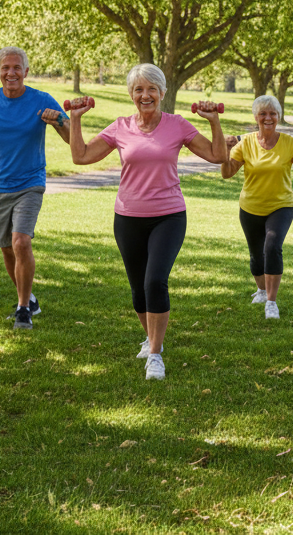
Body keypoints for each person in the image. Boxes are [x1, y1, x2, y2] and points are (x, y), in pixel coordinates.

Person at [66, 64, 227, 381]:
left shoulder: (177, 125)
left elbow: (218, 156)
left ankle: (155, 354)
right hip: (127, 218)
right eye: (139, 89)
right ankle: (152, 338)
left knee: (155, 281)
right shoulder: (120, 127)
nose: (145, 95)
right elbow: (81, 157)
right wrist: (75, 120)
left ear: (163, 93)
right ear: (131, 94)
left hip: (168, 216)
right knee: (139, 290)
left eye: (152, 88)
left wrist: (214, 122)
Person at [0, 47, 69, 330]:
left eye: (17, 67)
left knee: (21, 241)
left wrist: (58, 120)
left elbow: (72, 138)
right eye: (5, 68)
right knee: (7, 248)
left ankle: (23, 309)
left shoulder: (41, 100)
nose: (11, 73)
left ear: (26, 71)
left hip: (29, 184)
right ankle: (29, 297)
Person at [219, 95, 293, 320]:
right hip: (250, 206)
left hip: (281, 205)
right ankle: (262, 291)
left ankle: (271, 302)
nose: (268, 118)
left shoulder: (288, 143)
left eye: (272, 113)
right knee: (256, 254)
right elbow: (227, 173)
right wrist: (226, 150)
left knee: (272, 246)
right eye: (263, 113)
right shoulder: (245, 143)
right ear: (256, 117)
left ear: (278, 117)